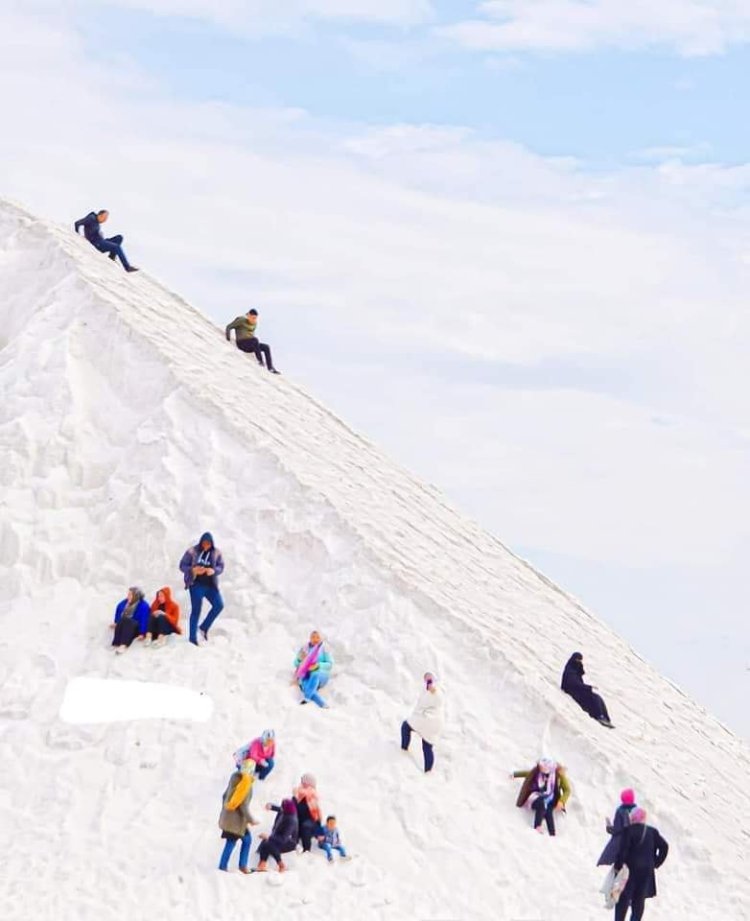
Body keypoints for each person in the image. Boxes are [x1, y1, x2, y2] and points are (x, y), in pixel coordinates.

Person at [613, 808, 669, 921]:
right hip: (646, 872)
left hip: (629, 870)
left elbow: (623, 850)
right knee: (639, 900)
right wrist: (656, 862)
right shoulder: (652, 832)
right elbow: (664, 846)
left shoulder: (628, 830)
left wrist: (617, 866)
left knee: (623, 898)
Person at [179, 532, 225, 645]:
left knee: (219, 605)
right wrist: (193, 570)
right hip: (196, 584)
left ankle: (204, 627)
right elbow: (182, 565)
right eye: (204, 543)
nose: (206, 546)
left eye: (208, 544)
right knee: (196, 609)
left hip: (211, 585)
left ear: (212, 544)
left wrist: (214, 571)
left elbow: (221, 566)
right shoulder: (192, 551)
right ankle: (192, 638)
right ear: (201, 542)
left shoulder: (216, 552)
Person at [218, 758, 259, 873]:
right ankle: (240, 866)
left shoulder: (234, 778)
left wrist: (226, 810)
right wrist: (251, 820)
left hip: (229, 818)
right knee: (241, 840)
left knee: (235, 841)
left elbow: (224, 795)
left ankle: (227, 866)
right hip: (237, 821)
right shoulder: (245, 783)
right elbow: (243, 806)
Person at [512, 758, 571, 836]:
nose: (540, 768)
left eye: (542, 767)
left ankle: (552, 833)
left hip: (552, 797)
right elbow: (528, 773)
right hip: (538, 795)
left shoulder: (558, 775)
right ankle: (537, 826)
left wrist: (561, 801)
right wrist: (514, 774)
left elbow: (567, 790)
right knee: (542, 803)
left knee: (548, 810)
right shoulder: (538, 772)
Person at [400, 672, 444, 773]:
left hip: (427, 719)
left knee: (405, 726)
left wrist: (433, 689)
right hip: (434, 722)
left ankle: (404, 749)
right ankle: (428, 771)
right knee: (427, 746)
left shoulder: (436, 690)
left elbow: (437, 697)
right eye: (426, 679)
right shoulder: (426, 690)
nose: (428, 681)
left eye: (430, 679)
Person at [74, 209, 138, 272]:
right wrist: (77, 235)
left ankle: (111, 257)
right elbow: (77, 223)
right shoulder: (91, 219)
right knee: (116, 247)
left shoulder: (96, 222)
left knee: (119, 237)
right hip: (96, 244)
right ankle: (127, 267)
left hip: (100, 241)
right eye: (104, 218)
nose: (105, 220)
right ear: (100, 215)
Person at [561, 652, 614, 728]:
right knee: (594, 698)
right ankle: (600, 716)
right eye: (577, 659)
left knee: (597, 697)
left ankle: (606, 718)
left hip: (577, 692)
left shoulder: (575, 670)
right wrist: (588, 688)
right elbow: (574, 683)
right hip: (572, 692)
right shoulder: (570, 671)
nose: (579, 661)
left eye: (580, 660)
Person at [225, 309, 280, 374]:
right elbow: (229, 327)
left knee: (266, 347)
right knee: (255, 340)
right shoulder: (241, 320)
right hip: (242, 344)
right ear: (249, 316)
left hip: (251, 344)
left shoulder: (255, 323)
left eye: (255, 318)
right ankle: (260, 361)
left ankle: (270, 368)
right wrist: (228, 340)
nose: (254, 320)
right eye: (253, 318)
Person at [255, 798, 299, 873]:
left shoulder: (291, 821)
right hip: (280, 837)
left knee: (269, 844)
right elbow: (280, 809)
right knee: (265, 843)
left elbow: (284, 839)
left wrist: (269, 837)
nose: (281, 809)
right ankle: (262, 864)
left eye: (283, 807)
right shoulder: (287, 812)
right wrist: (271, 807)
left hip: (290, 842)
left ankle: (281, 865)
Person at [294, 630, 333, 708]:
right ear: (310, 638)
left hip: (321, 674)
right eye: (313, 637)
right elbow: (296, 663)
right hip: (307, 675)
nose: (315, 639)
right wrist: (300, 660)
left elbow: (329, 665)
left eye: (317, 637)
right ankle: (322, 704)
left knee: (315, 673)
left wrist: (318, 665)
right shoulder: (305, 648)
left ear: (321, 639)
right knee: (305, 684)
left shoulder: (324, 649)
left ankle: (307, 697)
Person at [598, 789, 637, 866]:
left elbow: (617, 829)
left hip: (620, 844)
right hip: (633, 844)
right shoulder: (637, 810)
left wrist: (608, 827)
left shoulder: (620, 811)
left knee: (618, 866)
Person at [110, 587, 151, 653]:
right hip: (126, 624)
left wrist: (142, 633)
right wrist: (116, 622)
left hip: (136, 627)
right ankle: (116, 643)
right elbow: (119, 609)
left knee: (128, 621)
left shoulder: (143, 606)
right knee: (123, 620)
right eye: (128, 594)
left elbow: (144, 620)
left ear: (135, 596)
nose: (128, 596)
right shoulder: (126, 602)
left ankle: (124, 645)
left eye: (130, 595)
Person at [294, 773, 323, 853]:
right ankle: (293, 845)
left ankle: (307, 850)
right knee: (293, 821)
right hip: (299, 820)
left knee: (305, 826)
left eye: (304, 781)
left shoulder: (312, 796)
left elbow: (317, 815)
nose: (302, 783)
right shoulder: (298, 794)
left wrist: (320, 831)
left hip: (311, 824)